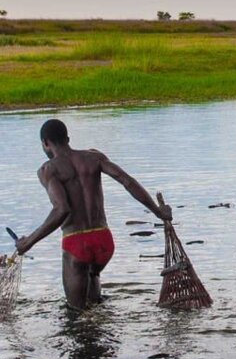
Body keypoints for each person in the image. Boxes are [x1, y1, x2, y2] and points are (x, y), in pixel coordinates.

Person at [14, 119, 172, 309]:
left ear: (46, 143)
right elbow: (126, 181)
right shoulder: (94, 157)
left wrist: (28, 242)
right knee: (95, 304)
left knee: (76, 315)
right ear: (67, 138)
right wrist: (158, 212)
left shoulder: (48, 170)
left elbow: (62, 209)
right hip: (104, 241)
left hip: (76, 243)